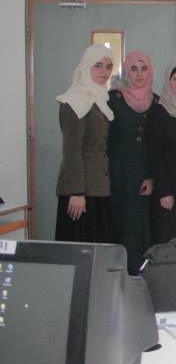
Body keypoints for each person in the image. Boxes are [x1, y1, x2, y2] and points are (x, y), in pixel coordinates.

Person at [54, 44, 116, 243]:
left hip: (98, 188)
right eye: (98, 65)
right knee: (80, 250)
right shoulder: (74, 100)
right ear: (86, 66)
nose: (104, 72)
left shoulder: (100, 98)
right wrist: (77, 193)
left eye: (108, 66)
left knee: (99, 249)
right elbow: (71, 151)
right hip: (81, 193)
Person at [108, 50, 158, 274]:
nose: (139, 74)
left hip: (146, 176)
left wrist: (151, 176)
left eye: (143, 69)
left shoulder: (157, 102)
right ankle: (119, 275)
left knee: (143, 226)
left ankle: (142, 274)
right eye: (134, 69)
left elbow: (159, 145)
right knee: (121, 224)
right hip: (119, 174)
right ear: (126, 71)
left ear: (150, 72)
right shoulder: (114, 99)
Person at [144, 63, 176, 244]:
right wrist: (164, 192)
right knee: (168, 240)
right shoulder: (158, 112)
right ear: (168, 82)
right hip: (168, 189)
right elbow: (155, 155)